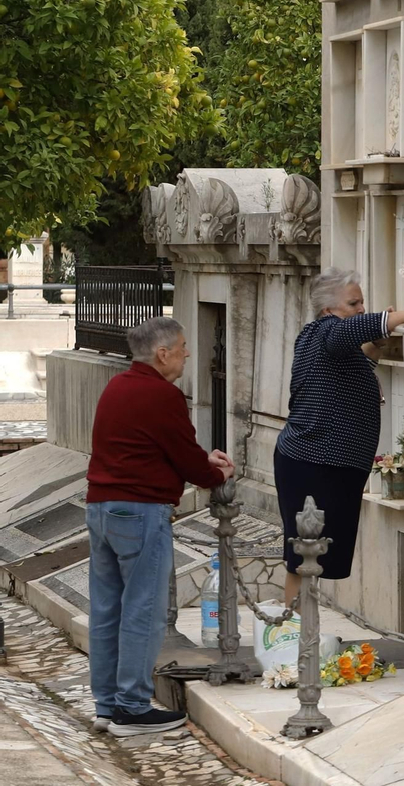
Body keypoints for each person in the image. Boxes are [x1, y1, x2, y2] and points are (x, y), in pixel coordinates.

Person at [87, 316, 234, 738]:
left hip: (101, 507)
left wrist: (200, 461)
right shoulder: (163, 394)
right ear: (162, 353)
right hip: (139, 511)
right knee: (143, 611)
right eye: (184, 346)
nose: (189, 353)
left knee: (106, 611)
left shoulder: (117, 386)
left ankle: (107, 704)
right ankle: (132, 709)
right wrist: (217, 474)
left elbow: (150, 447)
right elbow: (184, 457)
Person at [275, 270, 404, 604]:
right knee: (304, 557)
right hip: (314, 463)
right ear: (328, 310)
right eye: (353, 302)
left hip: (328, 464)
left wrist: (378, 342)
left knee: (317, 558)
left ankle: (301, 634)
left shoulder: (331, 340)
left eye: (363, 301)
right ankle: (291, 636)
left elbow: (361, 358)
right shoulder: (325, 332)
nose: (361, 308)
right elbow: (352, 330)